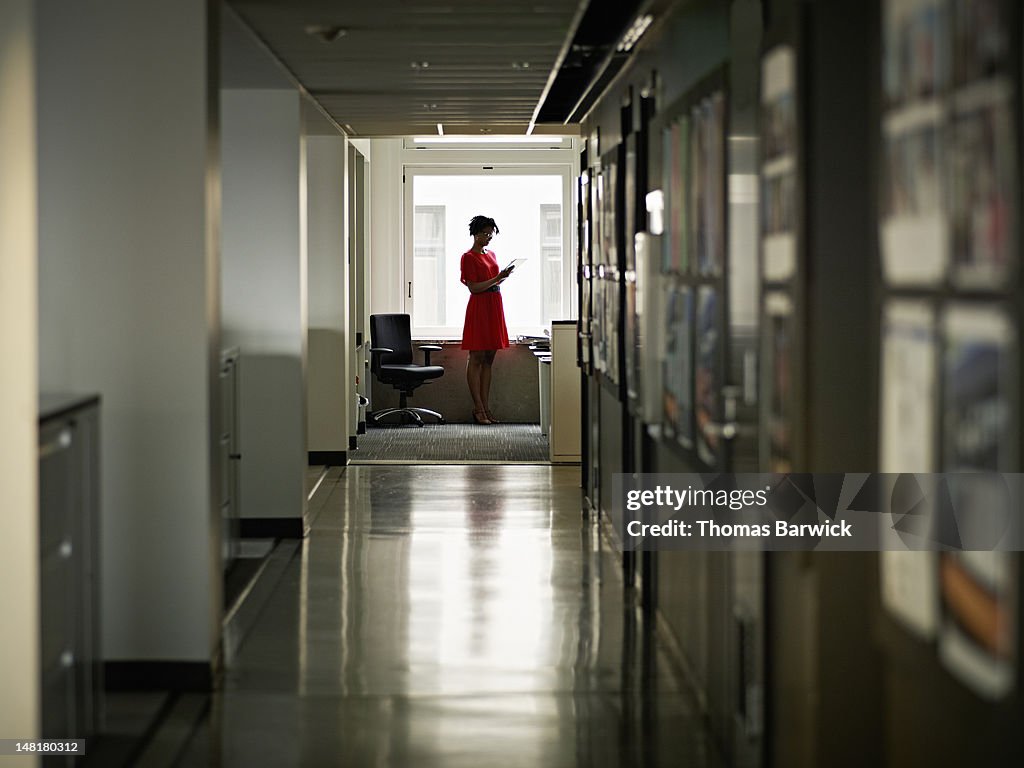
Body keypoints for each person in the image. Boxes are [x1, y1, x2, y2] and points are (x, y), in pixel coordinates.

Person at [460, 215, 515, 425]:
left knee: (489, 357)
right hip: (480, 305)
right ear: (475, 233)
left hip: (494, 304)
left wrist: (501, 277)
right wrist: (497, 277)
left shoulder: (491, 254)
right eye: (485, 233)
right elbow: (474, 287)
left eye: (491, 233)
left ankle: (486, 406)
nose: (489, 237)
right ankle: (478, 408)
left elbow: (492, 281)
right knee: (476, 356)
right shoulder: (468, 257)